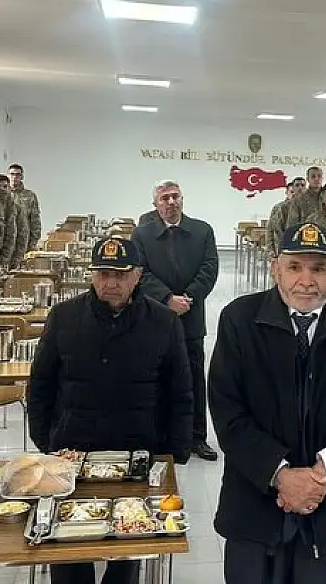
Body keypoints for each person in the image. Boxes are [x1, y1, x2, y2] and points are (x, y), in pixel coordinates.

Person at [209, 222, 326, 584]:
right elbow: (228, 412)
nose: (306, 281)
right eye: (294, 267)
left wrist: (320, 472)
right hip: (254, 503)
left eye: (319, 269)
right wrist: (280, 474)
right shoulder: (240, 320)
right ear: (275, 267)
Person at [28, 236, 193, 584]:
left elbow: (180, 392)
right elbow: (40, 384)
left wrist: (174, 452)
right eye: (103, 273)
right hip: (73, 450)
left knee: (126, 546)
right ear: (91, 275)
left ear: (138, 276)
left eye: (121, 274)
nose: (111, 283)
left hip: (136, 451)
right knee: (68, 550)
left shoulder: (164, 322)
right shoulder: (64, 317)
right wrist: (46, 440)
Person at [132, 180, 221, 462]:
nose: (171, 202)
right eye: (164, 198)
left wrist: (188, 298)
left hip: (191, 315)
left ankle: (197, 437)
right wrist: (167, 299)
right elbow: (140, 273)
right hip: (155, 315)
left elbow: (210, 267)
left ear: (182, 200)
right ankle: (161, 436)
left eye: (175, 197)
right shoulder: (142, 234)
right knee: (157, 376)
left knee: (194, 376)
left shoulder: (201, 230)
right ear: (156, 204)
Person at [0, 173, 31, 269]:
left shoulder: (16, 206)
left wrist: (19, 256)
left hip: (11, 256)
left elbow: (23, 233)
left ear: (9, 188)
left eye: (5, 186)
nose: (2, 189)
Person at [8, 163, 43, 252]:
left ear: (22, 177)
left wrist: (34, 241)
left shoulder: (30, 196)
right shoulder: (2, 194)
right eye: (12, 174)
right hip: (6, 239)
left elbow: (35, 220)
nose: (15, 177)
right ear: (8, 176)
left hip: (23, 240)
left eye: (18, 174)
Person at [269, 177, 306, 254]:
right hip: (288, 247)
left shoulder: (310, 207)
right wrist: (273, 250)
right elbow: (274, 230)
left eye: (303, 185)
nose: (300, 188)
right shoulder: (282, 208)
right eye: (297, 185)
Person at [285, 166, 326, 230]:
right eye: (313, 176)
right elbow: (291, 226)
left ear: (322, 178)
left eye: (319, 176)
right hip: (306, 237)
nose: (316, 179)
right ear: (308, 179)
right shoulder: (299, 200)